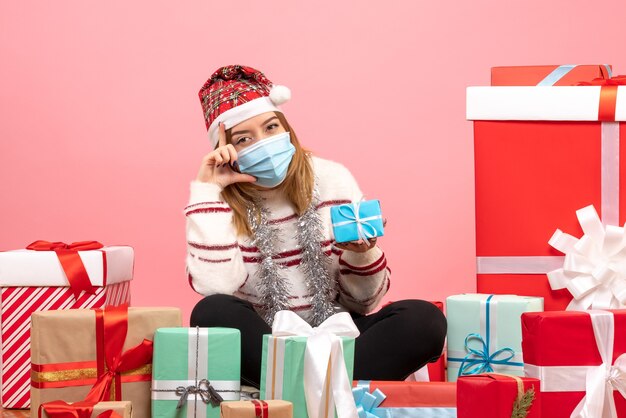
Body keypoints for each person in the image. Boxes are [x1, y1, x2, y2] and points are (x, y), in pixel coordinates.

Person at [186, 65, 446, 388]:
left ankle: (297, 390)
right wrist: (208, 189)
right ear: (226, 151)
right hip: (268, 343)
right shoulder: (218, 199)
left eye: (270, 127)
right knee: (210, 313)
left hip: (340, 336)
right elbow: (215, 286)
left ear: (287, 129)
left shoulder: (332, 179)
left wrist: (362, 254)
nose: (263, 142)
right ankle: (331, 390)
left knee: (425, 321)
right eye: (244, 138)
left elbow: (366, 303)